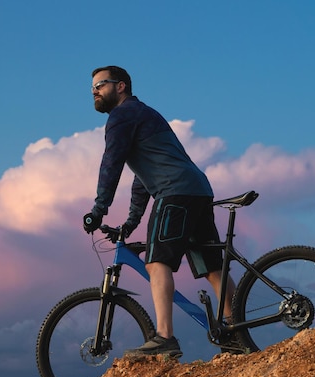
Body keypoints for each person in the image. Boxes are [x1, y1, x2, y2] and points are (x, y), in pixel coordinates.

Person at [83, 65, 237, 358]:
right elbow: (143, 178)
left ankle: (165, 337)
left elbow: (111, 163)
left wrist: (98, 210)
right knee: (212, 268)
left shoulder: (122, 116)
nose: (94, 91)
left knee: (156, 263)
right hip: (197, 190)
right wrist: (130, 222)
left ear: (121, 86)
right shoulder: (144, 114)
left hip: (175, 191)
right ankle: (235, 329)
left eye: (101, 84)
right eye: (92, 87)